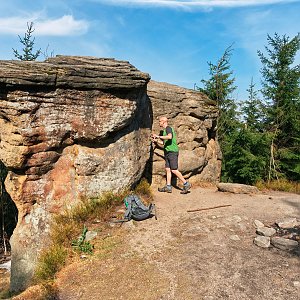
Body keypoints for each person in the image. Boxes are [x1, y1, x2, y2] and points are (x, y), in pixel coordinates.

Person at [151, 116, 191, 194]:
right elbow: (164, 143)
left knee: (174, 170)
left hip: (172, 152)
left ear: (163, 121)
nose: (159, 123)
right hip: (168, 152)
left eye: (160, 121)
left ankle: (186, 184)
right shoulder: (164, 131)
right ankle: (168, 186)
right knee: (168, 169)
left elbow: (170, 137)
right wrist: (156, 141)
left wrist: (158, 136)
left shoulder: (168, 128)